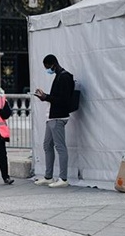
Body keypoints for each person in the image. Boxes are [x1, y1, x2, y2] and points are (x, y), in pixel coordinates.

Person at [33, 54, 75, 188]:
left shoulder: (65, 77)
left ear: (53, 64)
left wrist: (46, 97)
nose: (47, 70)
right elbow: (57, 97)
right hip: (51, 116)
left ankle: (63, 178)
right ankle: (48, 176)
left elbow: (63, 100)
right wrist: (45, 96)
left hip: (58, 117)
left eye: (47, 67)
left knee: (60, 147)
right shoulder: (59, 76)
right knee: (47, 145)